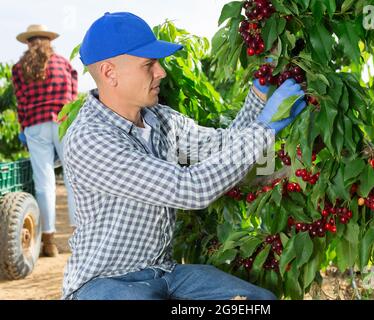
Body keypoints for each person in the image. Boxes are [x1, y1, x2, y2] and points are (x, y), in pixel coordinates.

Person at [62, 12, 306, 300]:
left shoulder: (160, 120)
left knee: (259, 302)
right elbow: (191, 189)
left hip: (163, 273)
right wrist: (264, 128)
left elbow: (223, 146)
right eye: (149, 64)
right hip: (104, 283)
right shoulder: (90, 140)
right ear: (109, 72)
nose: (161, 72)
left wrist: (259, 94)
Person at [12, 24, 78, 257]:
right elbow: (72, 96)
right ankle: (79, 236)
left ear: (29, 43)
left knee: (44, 183)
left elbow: (21, 102)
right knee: (73, 181)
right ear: (48, 41)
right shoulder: (64, 64)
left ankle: (48, 241)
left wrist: (23, 127)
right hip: (63, 123)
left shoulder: (20, 69)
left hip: (36, 125)